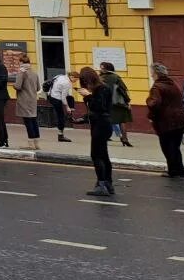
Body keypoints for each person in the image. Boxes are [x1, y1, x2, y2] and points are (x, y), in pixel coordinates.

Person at [146, 62, 184, 178]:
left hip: (166, 121)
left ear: (156, 74)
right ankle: (180, 169)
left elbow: (154, 103)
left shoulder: (157, 87)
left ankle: (173, 170)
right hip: (180, 120)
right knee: (175, 146)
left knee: (166, 146)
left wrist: (150, 113)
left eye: (152, 73)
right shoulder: (173, 84)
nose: (151, 75)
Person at [78, 65, 115, 197]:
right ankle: (108, 183)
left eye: (84, 82)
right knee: (103, 155)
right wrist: (83, 118)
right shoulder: (102, 88)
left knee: (96, 155)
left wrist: (88, 96)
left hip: (101, 125)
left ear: (88, 80)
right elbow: (95, 110)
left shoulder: (101, 89)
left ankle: (102, 184)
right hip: (102, 124)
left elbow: (100, 107)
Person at [99, 61, 133, 147]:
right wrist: (127, 101)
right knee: (122, 121)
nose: (101, 69)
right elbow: (123, 90)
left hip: (105, 103)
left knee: (105, 121)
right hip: (118, 103)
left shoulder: (100, 78)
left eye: (102, 68)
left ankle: (103, 139)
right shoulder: (116, 77)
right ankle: (124, 139)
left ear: (107, 68)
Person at [13, 53, 42, 150]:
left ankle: (31, 144)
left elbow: (18, 86)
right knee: (34, 121)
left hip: (24, 100)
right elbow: (38, 88)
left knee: (28, 121)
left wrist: (14, 84)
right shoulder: (34, 73)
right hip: (33, 100)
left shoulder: (21, 72)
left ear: (21, 62)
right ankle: (37, 143)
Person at [46, 70, 76, 142]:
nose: (76, 81)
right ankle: (60, 136)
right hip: (56, 99)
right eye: (76, 79)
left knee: (71, 98)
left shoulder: (59, 76)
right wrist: (67, 107)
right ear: (71, 77)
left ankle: (70, 115)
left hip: (50, 96)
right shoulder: (67, 83)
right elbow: (63, 97)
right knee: (61, 116)